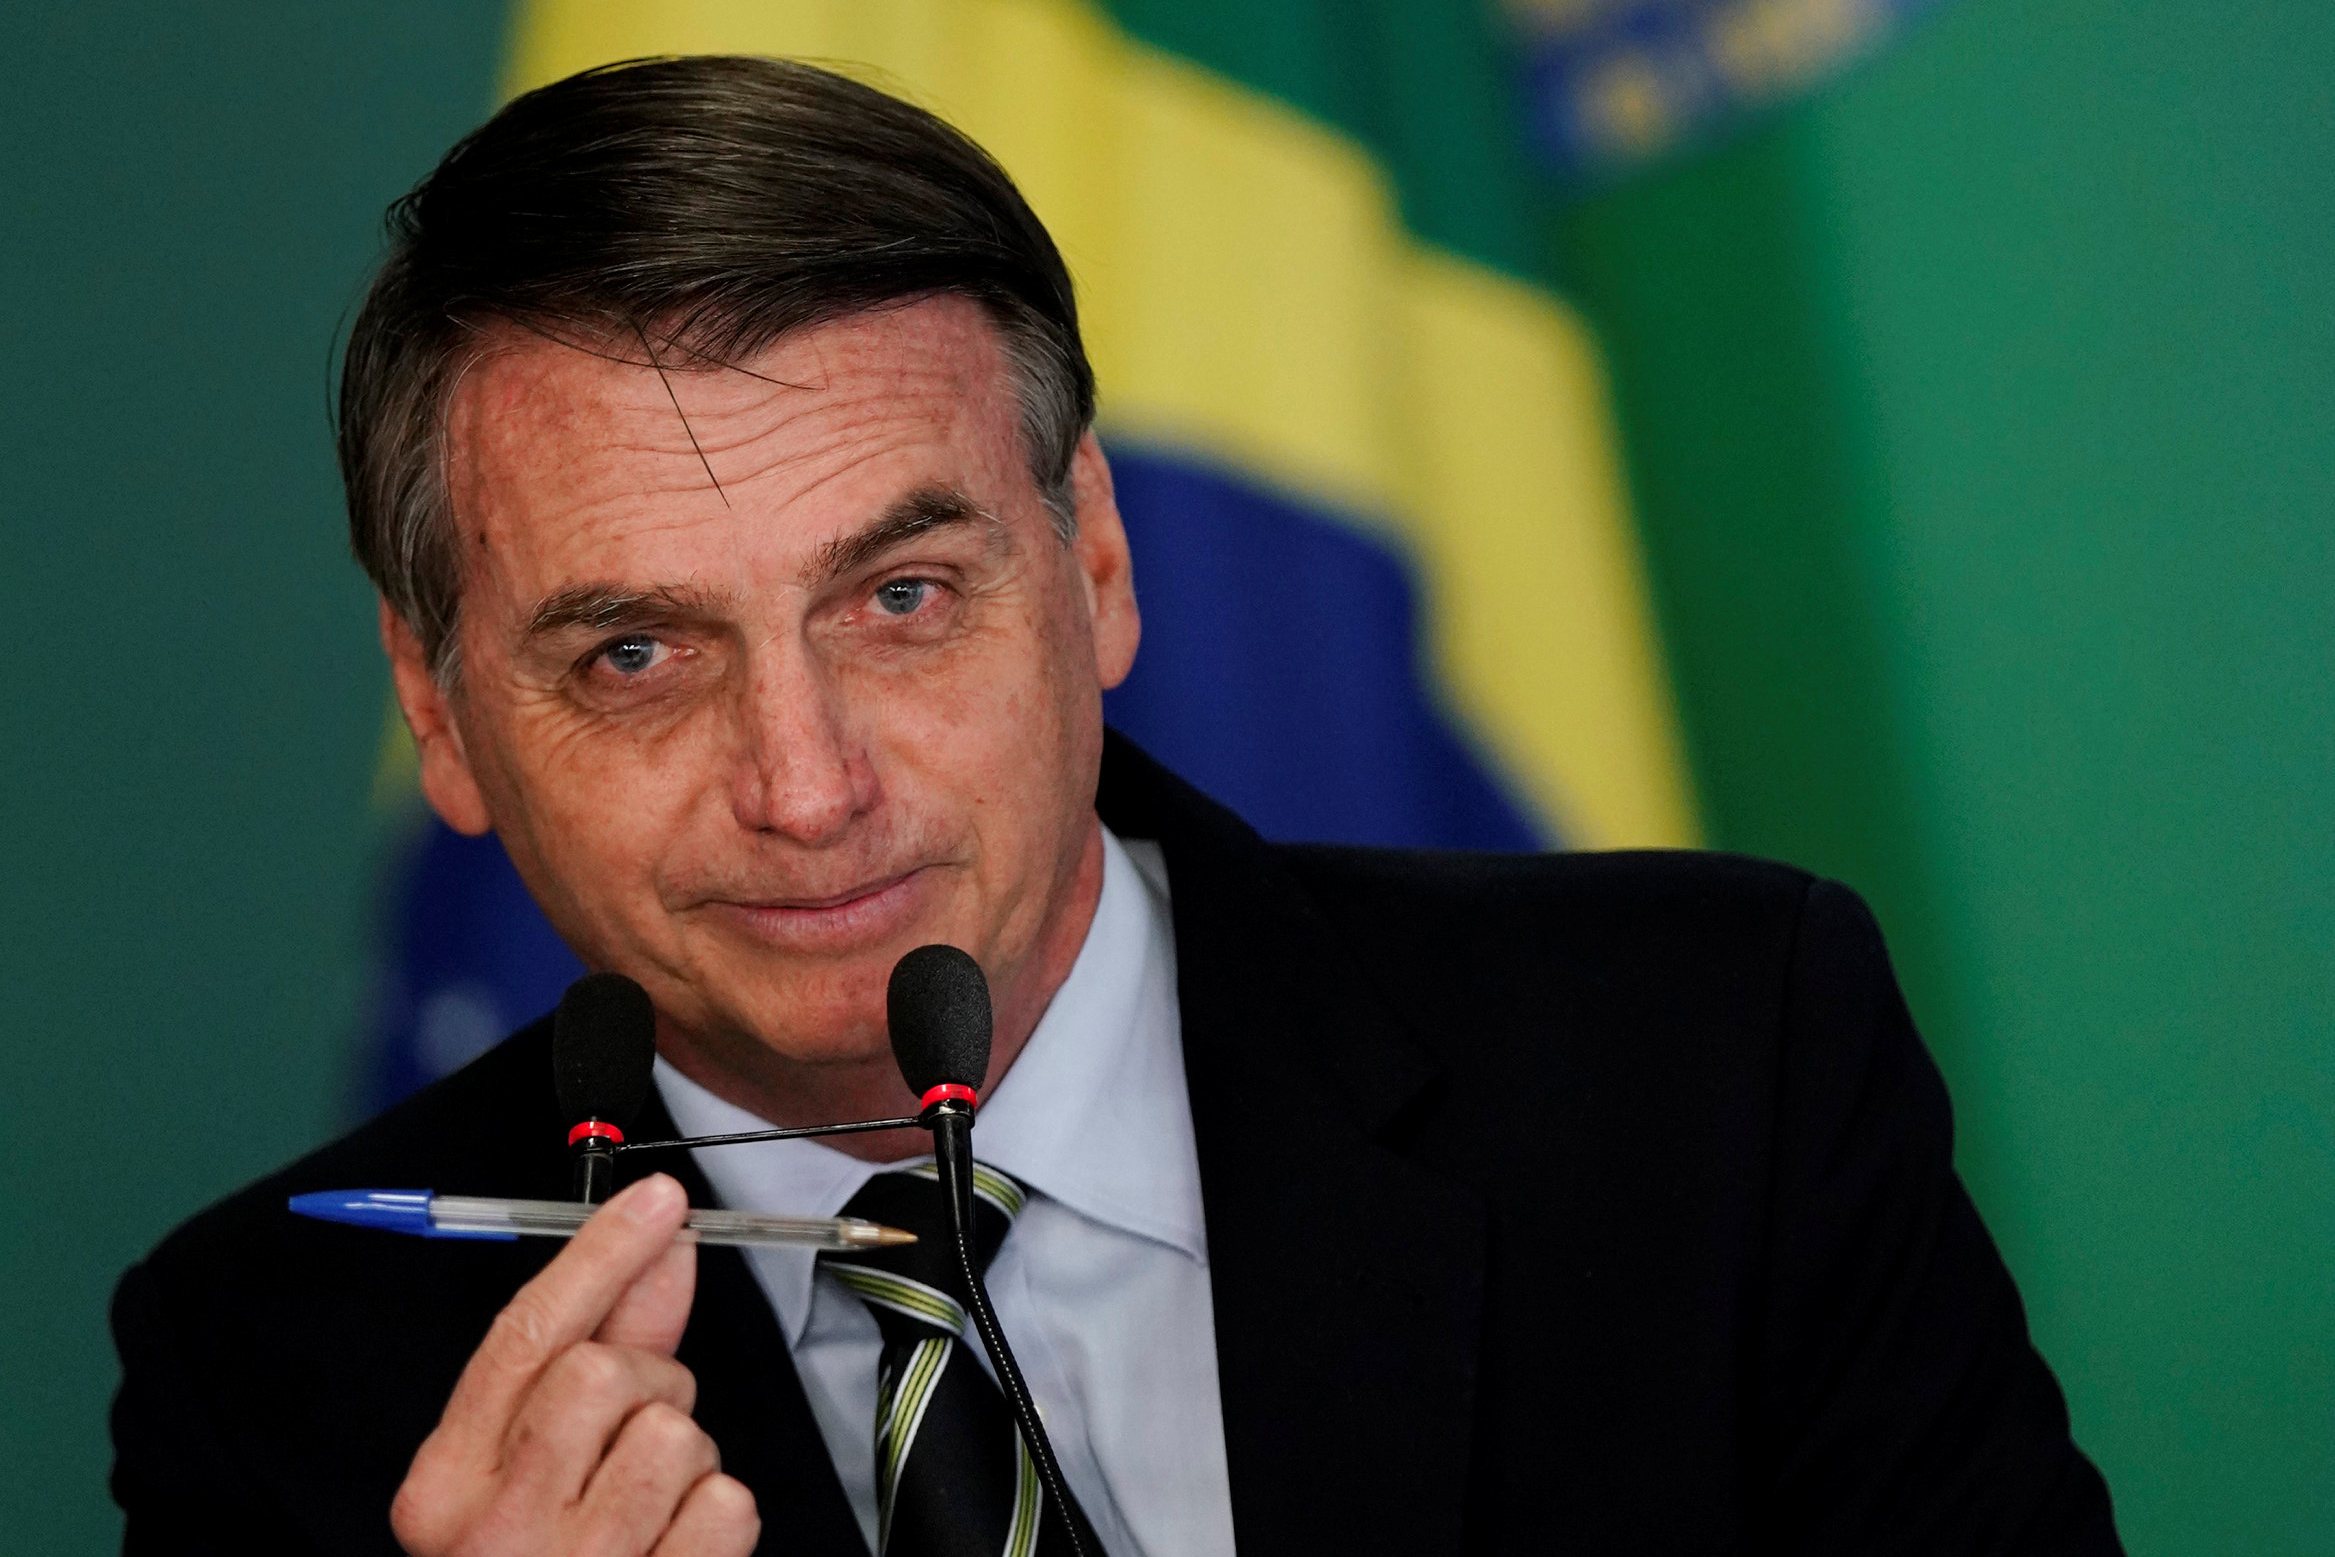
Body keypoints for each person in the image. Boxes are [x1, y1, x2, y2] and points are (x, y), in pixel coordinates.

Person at [109, 55, 2122, 1557]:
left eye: (903, 598)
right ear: (441, 708)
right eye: (636, 652)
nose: (805, 787)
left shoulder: (1713, 1064)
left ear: (1092, 558)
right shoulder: (283, 1371)